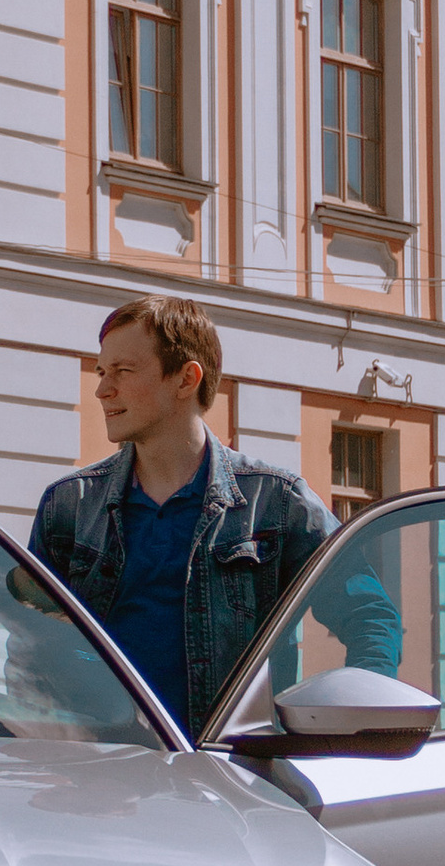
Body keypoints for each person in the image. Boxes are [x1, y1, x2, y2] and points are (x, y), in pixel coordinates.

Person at [30, 295, 334, 733]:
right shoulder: (69, 506)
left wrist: (355, 736)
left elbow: (368, 613)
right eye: (101, 372)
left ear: (186, 379)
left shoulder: (276, 501)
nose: (102, 390)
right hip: (96, 775)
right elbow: (28, 645)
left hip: (230, 777)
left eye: (123, 371)